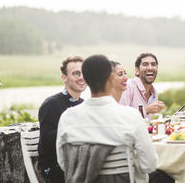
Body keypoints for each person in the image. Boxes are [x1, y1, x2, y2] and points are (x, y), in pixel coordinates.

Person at [56, 54, 158, 183]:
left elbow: (64, 164)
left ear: (85, 80)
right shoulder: (131, 116)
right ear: (111, 78)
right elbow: (150, 164)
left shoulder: (67, 117)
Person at [37, 56, 87, 183]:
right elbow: (47, 138)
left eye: (84, 73)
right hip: (56, 167)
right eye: (76, 74)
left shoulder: (84, 104)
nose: (81, 77)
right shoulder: (51, 104)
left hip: (79, 163)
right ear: (64, 78)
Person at [119, 52, 165, 118]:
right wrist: (145, 110)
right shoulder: (128, 86)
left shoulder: (154, 94)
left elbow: (150, 123)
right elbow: (122, 116)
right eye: (145, 64)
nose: (150, 68)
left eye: (153, 64)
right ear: (137, 71)